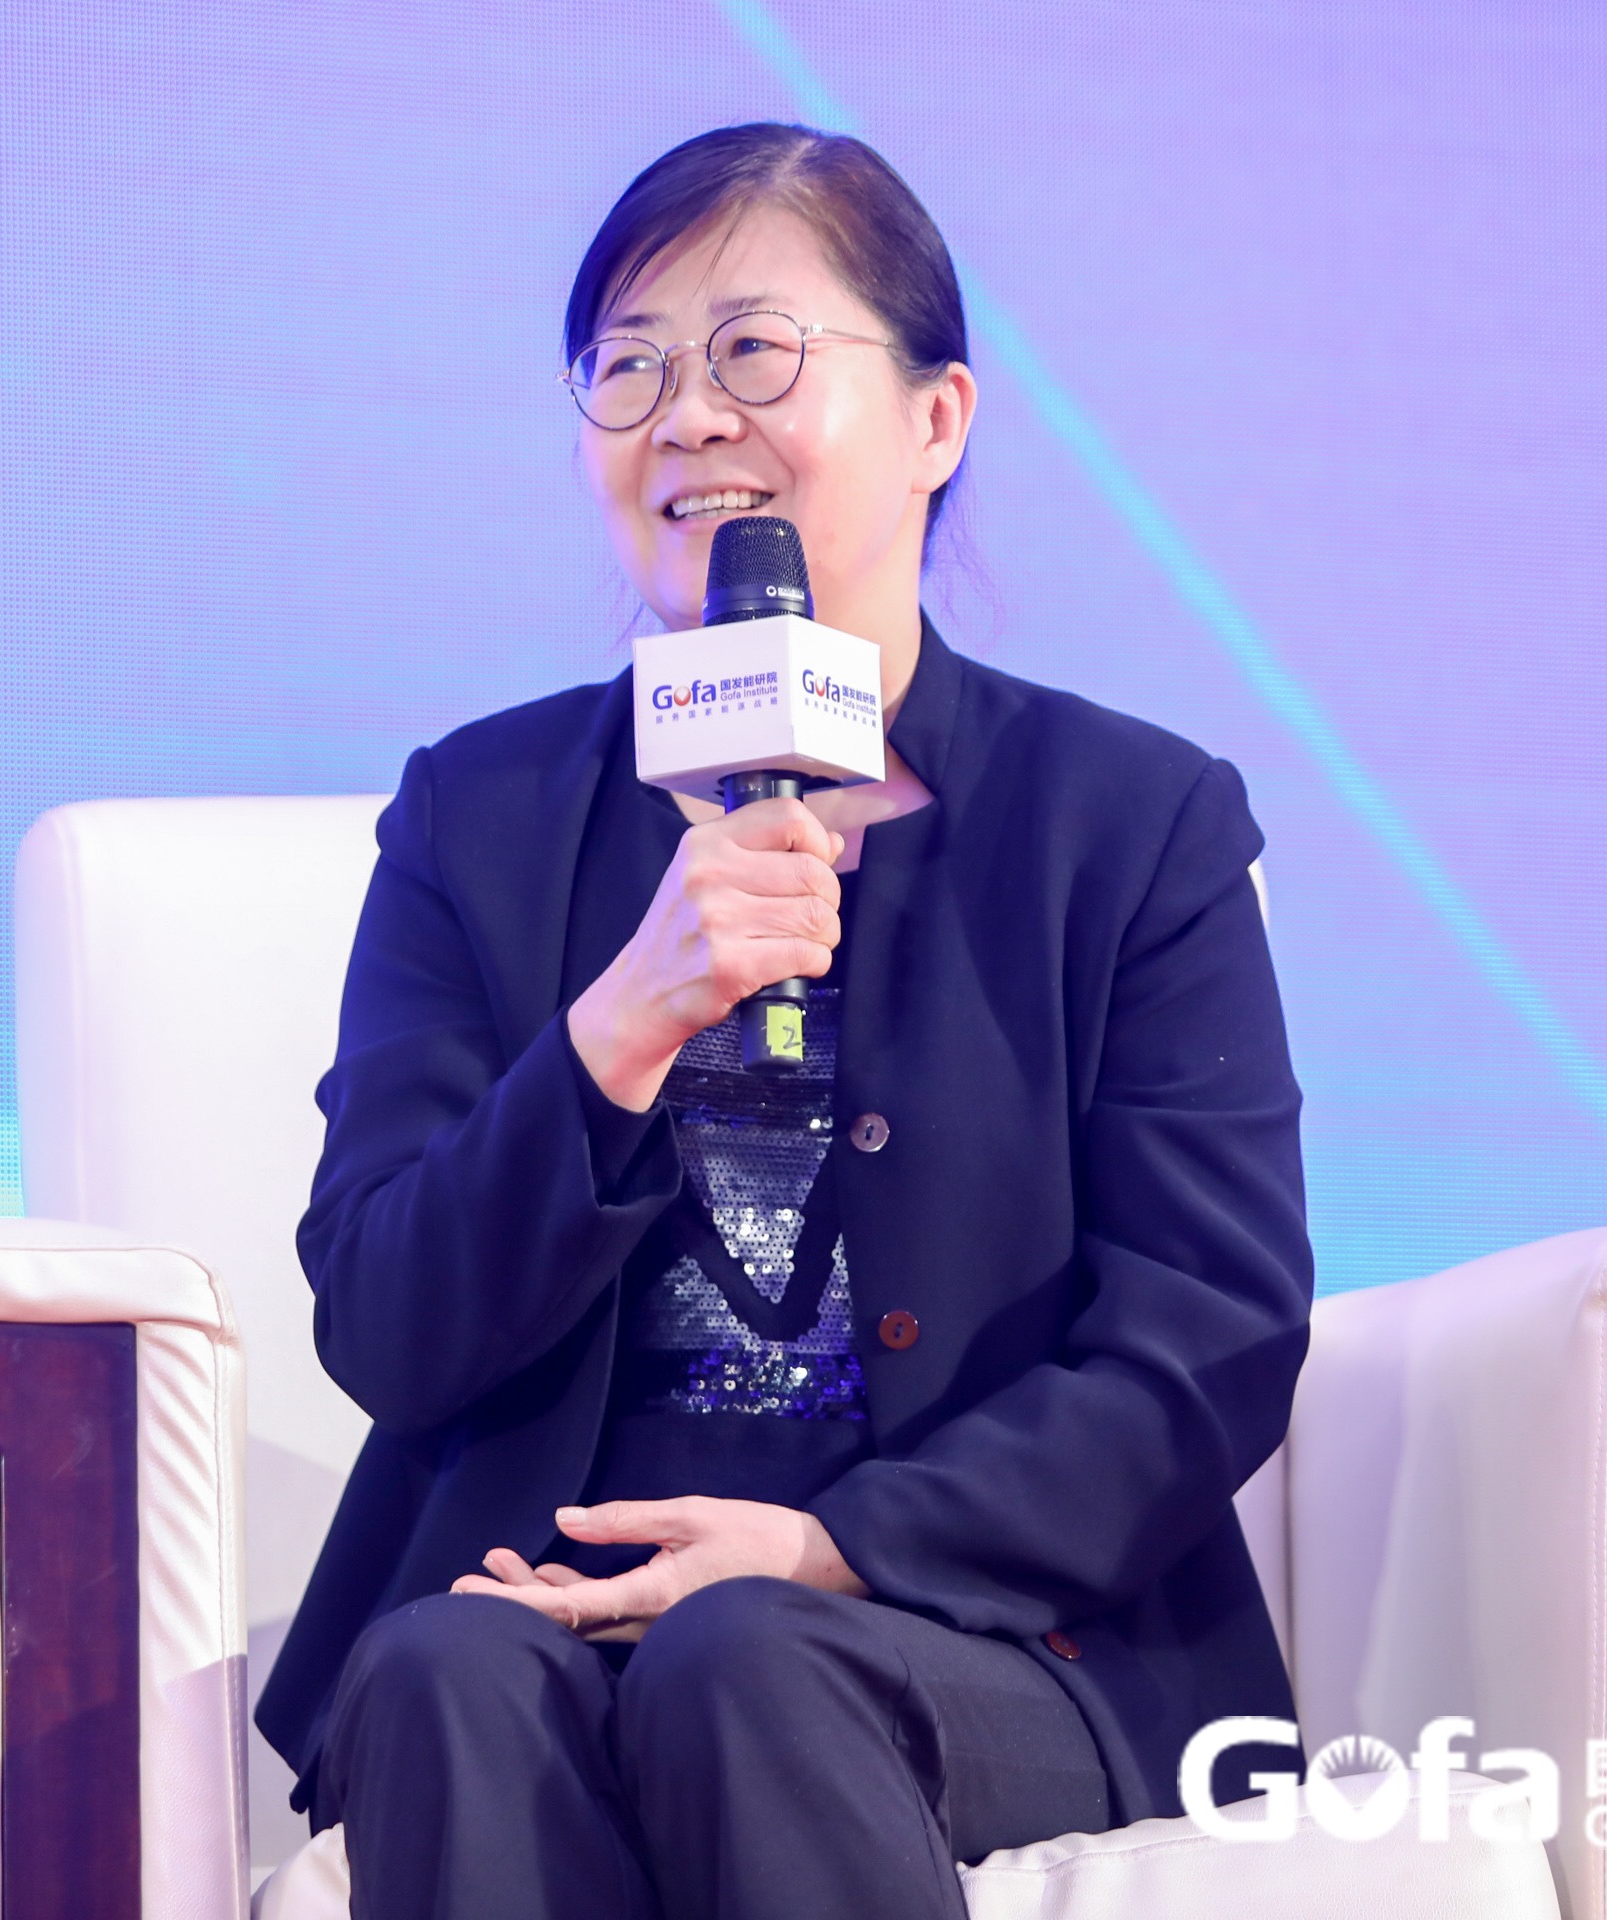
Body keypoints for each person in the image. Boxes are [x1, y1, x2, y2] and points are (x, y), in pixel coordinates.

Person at [252, 122, 1313, 1920]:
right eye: (630, 368)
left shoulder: (1130, 825)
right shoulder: (474, 818)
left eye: (753, 352)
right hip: (541, 1602)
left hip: (987, 1633)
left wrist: (831, 1548)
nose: (686, 419)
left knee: (744, 1657)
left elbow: (1208, 1338)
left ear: (937, 419)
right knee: (435, 1669)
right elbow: (386, 1322)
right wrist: (621, 1027)